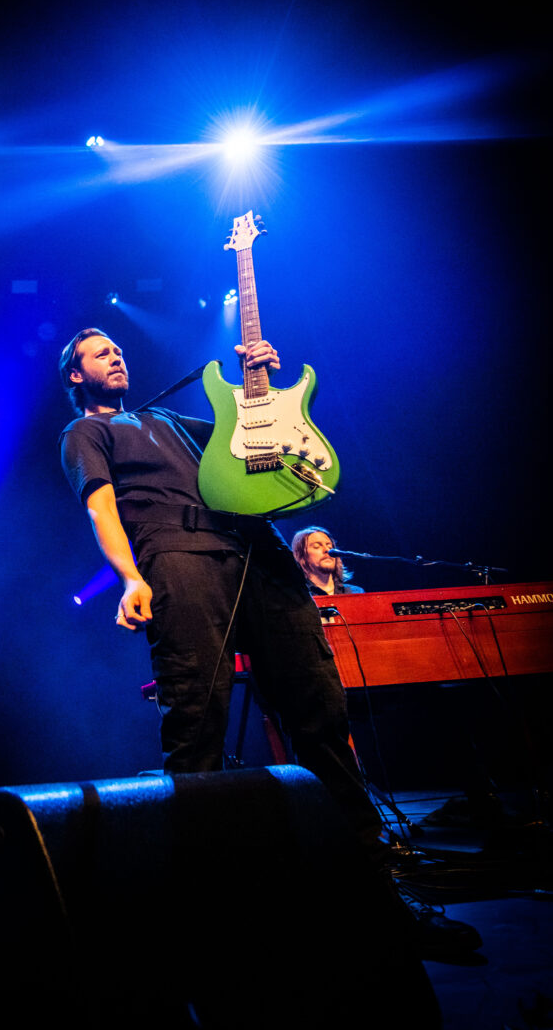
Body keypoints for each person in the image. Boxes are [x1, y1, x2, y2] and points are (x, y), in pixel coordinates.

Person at [58, 327, 480, 958]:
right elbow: (101, 508)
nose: (116, 355)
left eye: (119, 348)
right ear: (74, 375)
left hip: (260, 550)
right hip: (176, 554)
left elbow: (251, 443)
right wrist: (128, 576)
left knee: (321, 711)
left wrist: (265, 383)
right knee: (197, 723)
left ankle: (378, 897)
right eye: (99, 352)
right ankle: (206, 920)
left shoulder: (171, 421)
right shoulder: (85, 434)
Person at [291, 526, 364, 596]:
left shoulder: (355, 592)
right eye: (317, 546)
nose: (327, 550)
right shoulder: (298, 596)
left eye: (329, 546)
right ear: (302, 555)